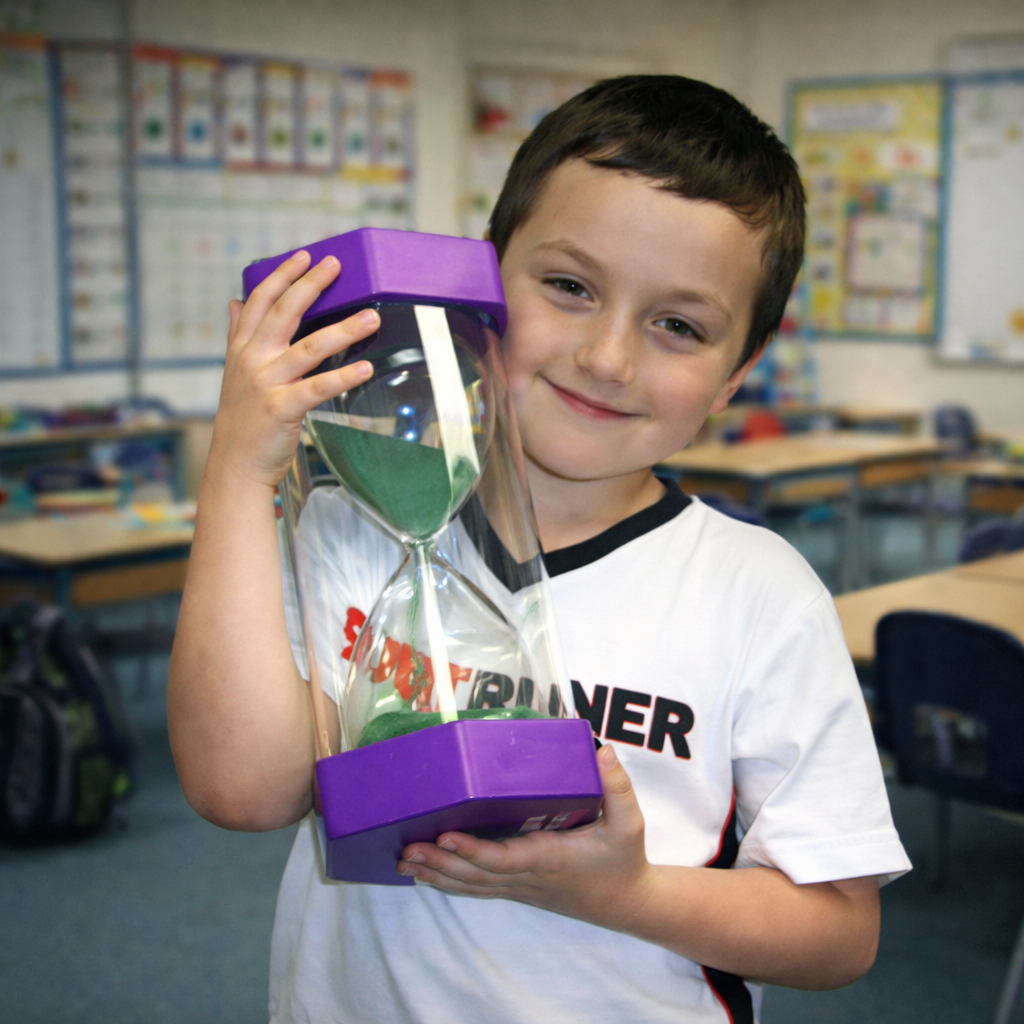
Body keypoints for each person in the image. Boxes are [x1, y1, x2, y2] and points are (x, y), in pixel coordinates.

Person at [168, 75, 911, 1024]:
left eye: (678, 326)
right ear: (480, 281)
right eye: (570, 286)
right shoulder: (359, 525)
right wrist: (238, 471)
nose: (607, 357)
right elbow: (241, 790)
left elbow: (840, 935)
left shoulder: (760, 595)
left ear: (735, 376)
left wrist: (627, 892)